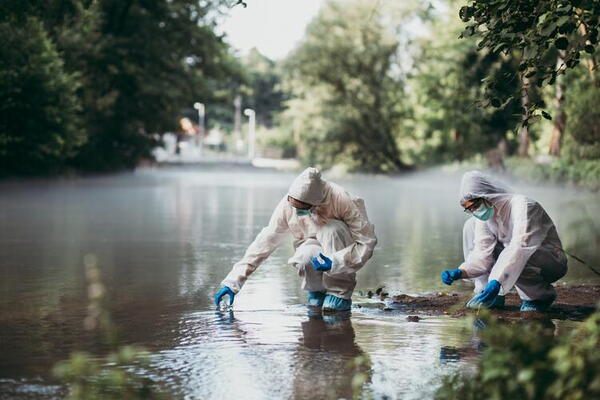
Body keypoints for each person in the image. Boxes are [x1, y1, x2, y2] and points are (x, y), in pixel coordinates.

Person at [214, 167, 377, 312]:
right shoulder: (287, 205)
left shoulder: (341, 199)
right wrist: (233, 282)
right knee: (306, 256)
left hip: (339, 243)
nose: (296, 211)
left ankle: (339, 293)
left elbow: (366, 241)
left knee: (330, 230)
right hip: (312, 243)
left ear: (315, 203)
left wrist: (335, 261)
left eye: (301, 208)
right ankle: (317, 291)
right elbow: (265, 242)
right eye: (293, 206)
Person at [441, 171, 568, 312]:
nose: (474, 211)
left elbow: (520, 247)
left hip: (548, 262)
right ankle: (490, 293)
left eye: (475, 206)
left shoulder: (525, 206)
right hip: (514, 261)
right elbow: (482, 253)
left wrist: (496, 280)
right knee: (470, 226)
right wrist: (461, 271)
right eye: (469, 209)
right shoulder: (486, 217)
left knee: (518, 254)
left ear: (487, 196)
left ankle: (537, 297)